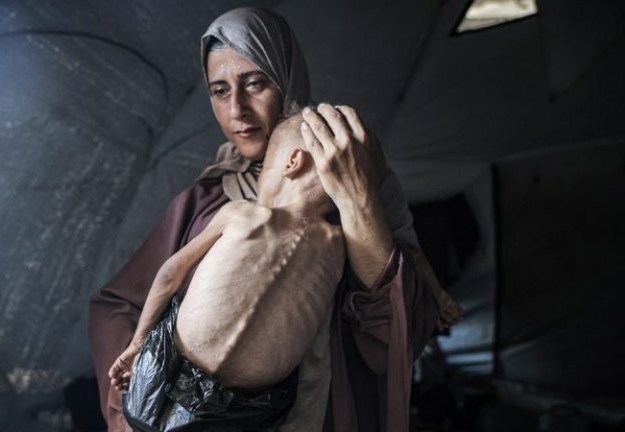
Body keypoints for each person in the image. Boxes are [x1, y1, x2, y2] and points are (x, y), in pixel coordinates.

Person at [89, 7, 462, 432]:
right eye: (220, 91)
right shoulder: (206, 200)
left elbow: (393, 335)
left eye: (255, 84)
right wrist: (134, 401)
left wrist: (358, 200)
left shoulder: (354, 203)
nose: (237, 110)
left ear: (286, 79)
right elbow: (117, 304)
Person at [110, 113, 346, 430]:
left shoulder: (242, 214)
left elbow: (169, 275)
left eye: (265, 167)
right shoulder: (336, 248)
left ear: (292, 163)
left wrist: (138, 341)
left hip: (163, 375)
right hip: (239, 409)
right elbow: (318, 348)